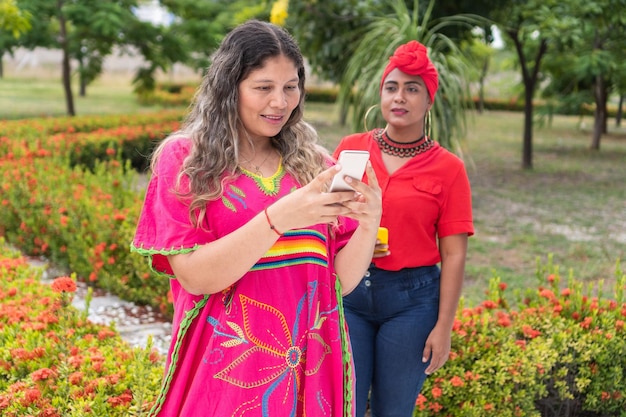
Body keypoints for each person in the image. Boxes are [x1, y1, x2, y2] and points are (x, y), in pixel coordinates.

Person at [131, 20, 382, 417]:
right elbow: (195, 277)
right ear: (229, 89)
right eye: (263, 88)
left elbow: (336, 283)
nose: (280, 102)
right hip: (223, 378)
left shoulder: (315, 166)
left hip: (306, 372)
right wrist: (280, 216)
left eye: (290, 87)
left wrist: (369, 221)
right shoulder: (185, 161)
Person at [333, 40, 474, 417]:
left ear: (429, 102)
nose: (400, 97)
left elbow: (454, 253)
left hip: (412, 303)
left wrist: (444, 327)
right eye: (391, 87)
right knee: (342, 403)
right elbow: (328, 218)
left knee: (393, 410)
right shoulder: (351, 151)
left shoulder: (449, 169)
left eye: (413, 89)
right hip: (350, 295)